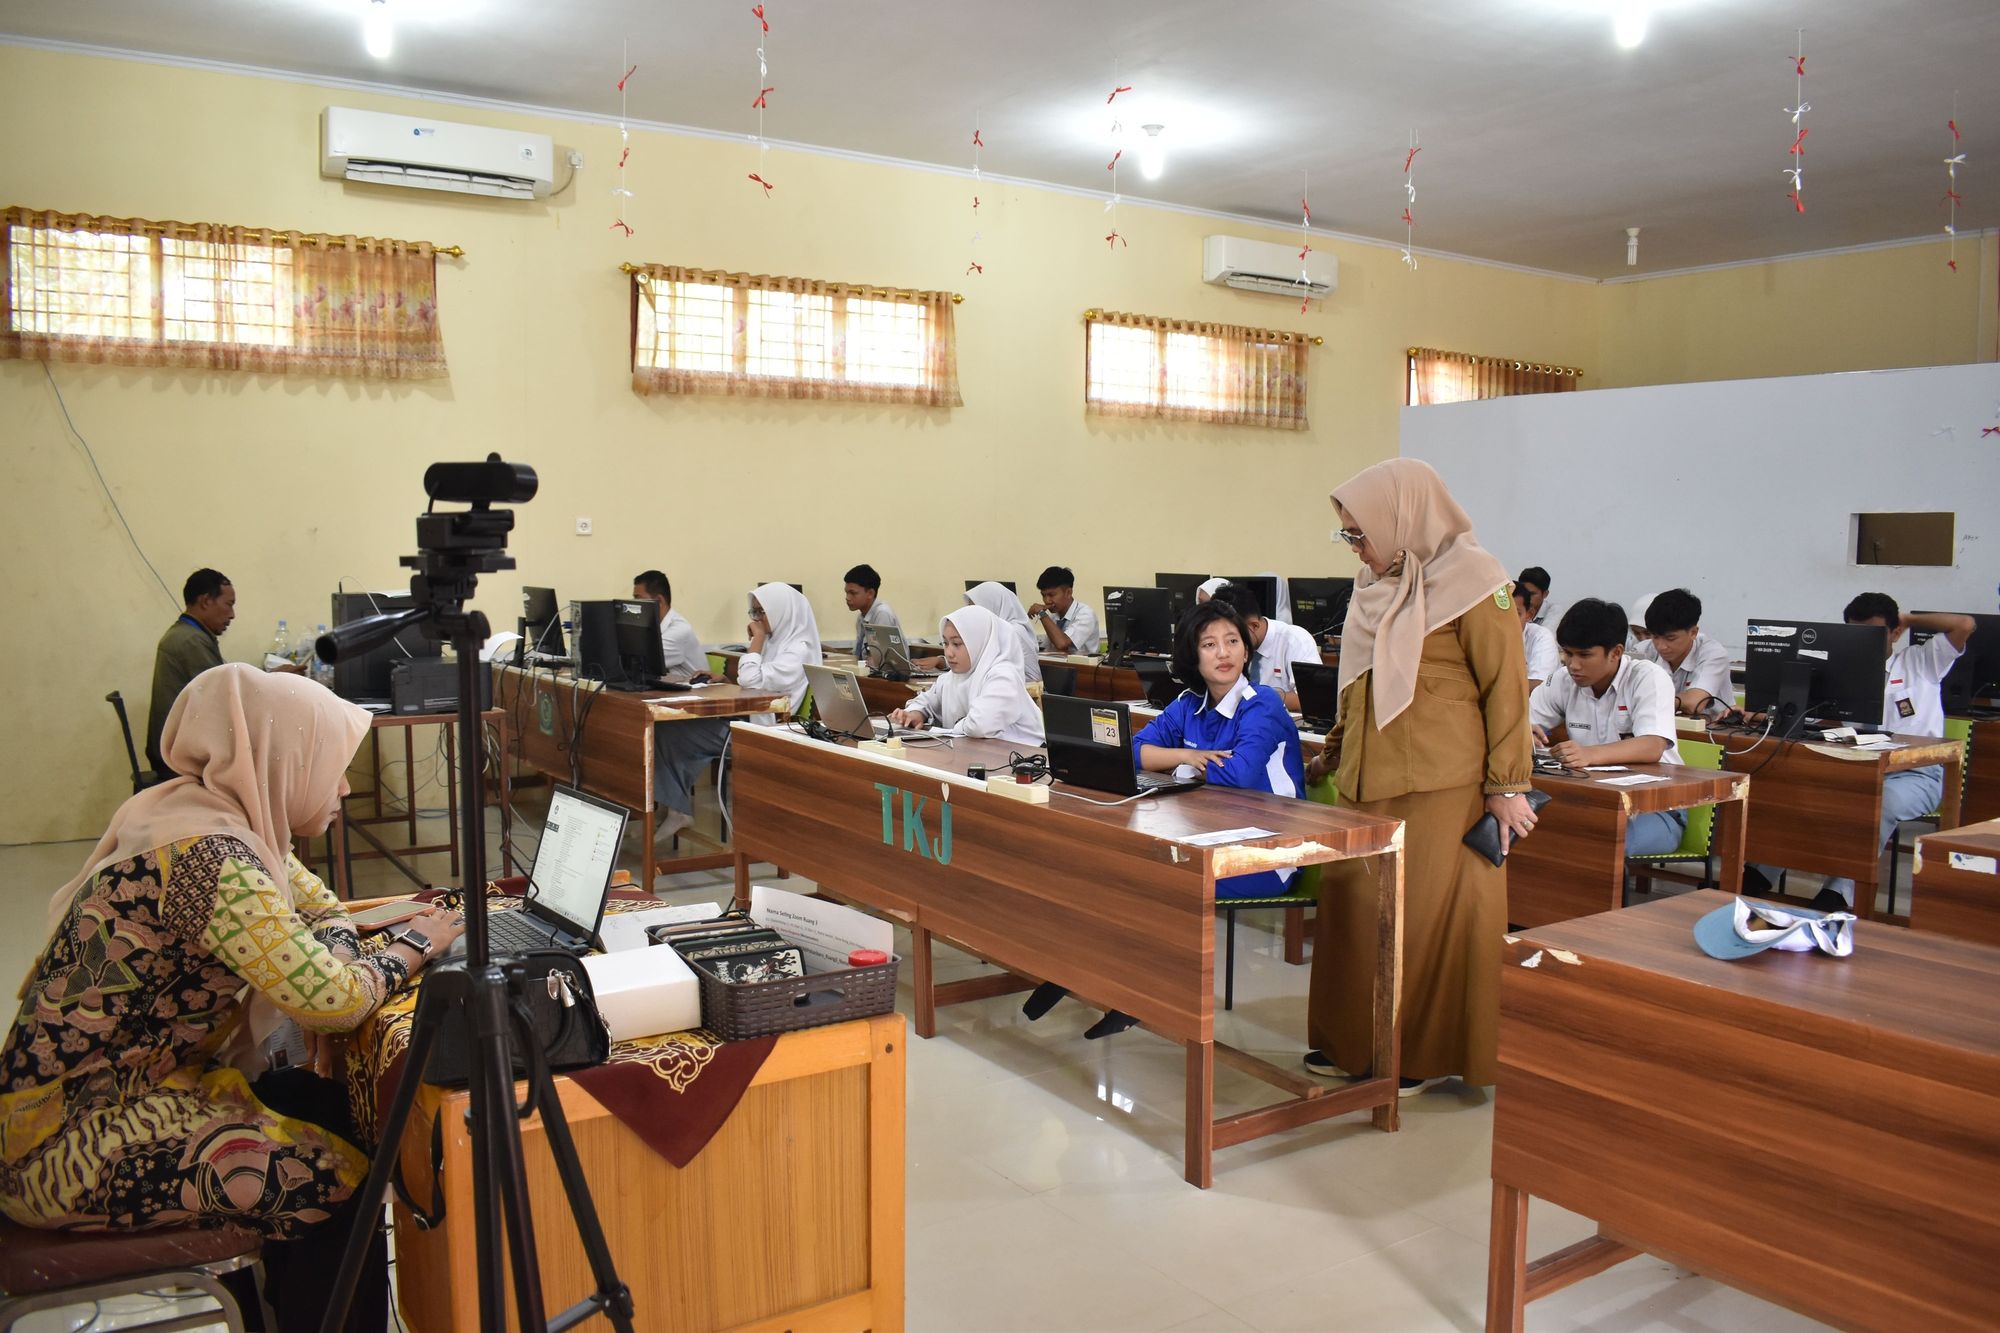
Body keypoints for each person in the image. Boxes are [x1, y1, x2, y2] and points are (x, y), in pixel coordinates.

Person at [2, 665, 466, 1333]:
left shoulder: (206, 815)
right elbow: (332, 1003)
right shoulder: (206, 857)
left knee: (331, 1108)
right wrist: (414, 944)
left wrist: (335, 956)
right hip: (65, 1144)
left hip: (114, 1094)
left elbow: (323, 907)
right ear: (284, 757)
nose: (340, 786)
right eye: (330, 765)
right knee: (336, 1176)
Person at [1306, 459, 1534, 1096]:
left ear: (1401, 518)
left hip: (1440, 785)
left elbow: (1506, 689)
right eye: (1347, 535)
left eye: (1360, 533)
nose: (1357, 547)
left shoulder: (1477, 580)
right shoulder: (1374, 584)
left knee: (1419, 922)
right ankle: (1355, 1041)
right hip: (1364, 777)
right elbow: (1359, 683)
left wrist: (1507, 785)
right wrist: (1332, 749)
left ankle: (1412, 1053)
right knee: (1356, 914)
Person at [1026, 598, 1305, 1040]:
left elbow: (1239, 773)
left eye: (1233, 641)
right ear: (1194, 656)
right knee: (1110, 861)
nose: (1224, 652)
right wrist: (1188, 756)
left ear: (1247, 651)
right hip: (1210, 836)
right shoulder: (1188, 703)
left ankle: (1135, 992)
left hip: (1269, 853)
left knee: (1154, 876)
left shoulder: (1262, 705)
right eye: (1210, 644)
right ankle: (1081, 969)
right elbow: (1133, 750)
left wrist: (1177, 764)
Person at [1796, 594, 1974, 911]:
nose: (1863, 642)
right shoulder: (1840, 668)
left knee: (1880, 801)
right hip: (1859, 766)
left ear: (1894, 633)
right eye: (1856, 633)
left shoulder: (1923, 661)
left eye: (1874, 633)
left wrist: (1908, 619)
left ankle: (1839, 892)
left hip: (1918, 773)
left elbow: (1964, 624)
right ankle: (1759, 872)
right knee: (1798, 790)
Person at [1529, 598, 1688, 856]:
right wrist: (1522, 731)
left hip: (1654, 809)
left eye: (1584, 655)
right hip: (1592, 800)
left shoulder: (1648, 677)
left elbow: (1652, 745)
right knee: (1534, 827)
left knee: (1598, 840)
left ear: (1616, 652)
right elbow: (1525, 720)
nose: (1573, 665)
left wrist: (1589, 754)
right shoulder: (1562, 680)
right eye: (1567, 653)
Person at [887, 605, 1044, 744]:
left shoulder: (1003, 676)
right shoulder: (952, 677)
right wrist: (916, 713)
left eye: (957, 644)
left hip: (1024, 758)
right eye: (945, 643)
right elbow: (927, 700)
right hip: (981, 755)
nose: (948, 653)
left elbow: (979, 726)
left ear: (978, 642)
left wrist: (943, 730)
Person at [146, 568, 235, 775]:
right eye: (229, 605)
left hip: (172, 749)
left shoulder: (189, 634)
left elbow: (222, 681)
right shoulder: (190, 641)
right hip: (176, 759)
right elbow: (224, 696)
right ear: (205, 601)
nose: (232, 615)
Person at [1214, 581, 1321, 708]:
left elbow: (1311, 700)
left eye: (1232, 638)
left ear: (1254, 626)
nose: (1225, 647)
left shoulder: (1295, 640)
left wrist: (1260, 696)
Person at [1632, 587, 1734, 714]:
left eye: (1670, 638)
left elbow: (1694, 703)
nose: (1661, 646)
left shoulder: (1713, 654)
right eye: (1655, 637)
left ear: (1693, 632)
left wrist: (1647, 700)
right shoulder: (1642, 651)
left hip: (1710, 731)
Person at [632, 569, 709, 682]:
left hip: (695, 692)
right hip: (670, 690)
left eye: (638, 599)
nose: (634, 605)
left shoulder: (679, 630)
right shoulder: (651, 627)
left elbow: (644, 662)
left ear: (658, 601)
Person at [964, 581, 1043, 684]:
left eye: (977, 609)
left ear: (993, 606)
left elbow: (1035, 678)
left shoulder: (1014, 632)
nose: (973, 615)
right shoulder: (989, 630)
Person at [1027, 565, 1099, 655]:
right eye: (1043, 595)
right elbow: (1048, 649)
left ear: (1068, 592)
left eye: (1051, 595)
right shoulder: (1054, 616)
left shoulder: (1086, 614)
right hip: (1060, 666)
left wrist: (1041, 614)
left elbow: (1062, 644)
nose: (1046, 600)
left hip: (1085, 668)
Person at [843, 564, 899, 657]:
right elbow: (859, 655)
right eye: (846, 592)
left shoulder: (882, 613)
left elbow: (881, 659)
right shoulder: (861, 617)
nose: (847, 598)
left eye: (853, 593)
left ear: (870, 593)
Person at [1514, 582, 1559, 691]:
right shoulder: (1483, 637)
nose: (1507, 621)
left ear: (1529, 614)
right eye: (1500, 615)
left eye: (1515, 614)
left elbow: (1539, 685)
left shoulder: (1541, 636)